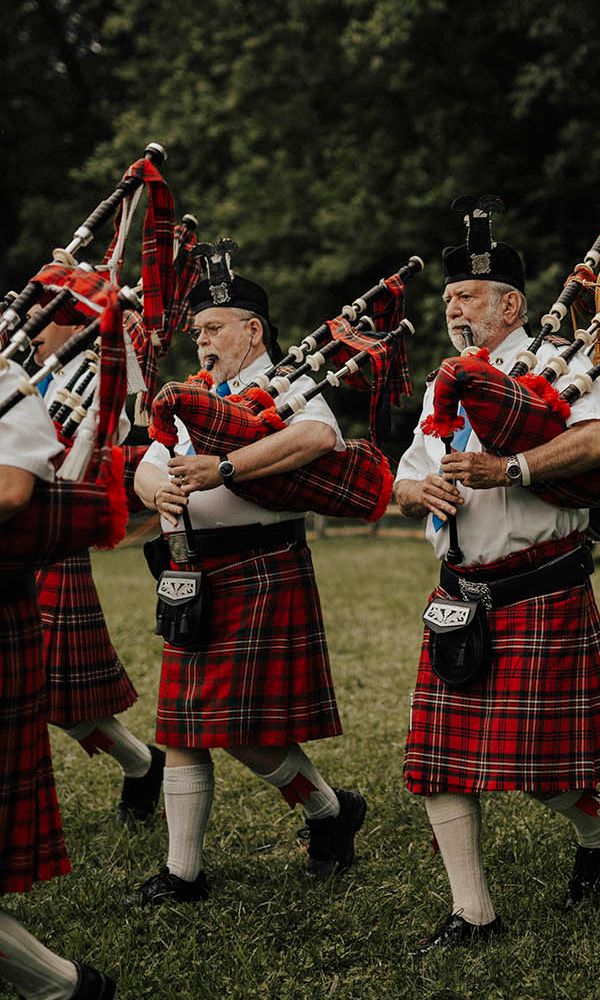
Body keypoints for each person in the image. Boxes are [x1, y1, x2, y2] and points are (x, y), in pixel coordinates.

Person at [394, 198, 600, 951]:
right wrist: (418, 491)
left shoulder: (553, 370)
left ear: (510, 304)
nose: (453, 309)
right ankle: (474, 915)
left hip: (539, 588)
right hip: (459, 595)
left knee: (544, 776)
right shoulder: (446, 386)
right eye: (446, 299)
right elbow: (406, 478)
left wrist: (513, 467)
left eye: (467, 297)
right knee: (438, 765)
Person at [129, 260, 365, 905]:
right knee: (183, 725)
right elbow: (147, 468)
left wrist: (224, 468)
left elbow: (317, 437)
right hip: (192, 571)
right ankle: (184, 874)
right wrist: (164, 490)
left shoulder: (289, 385)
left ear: (253, 330)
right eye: (196, 329)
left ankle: (326, 809)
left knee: (242, 734)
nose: (200, 340)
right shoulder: (191, 397)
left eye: (212, 328)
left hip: (263, 566)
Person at [1, 358, 116, 999]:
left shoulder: (10, 377)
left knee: (78, 706)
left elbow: (17, 490)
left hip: (20, 578)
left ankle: (64, 989)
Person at [28, 308, 164, 826]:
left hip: (47, 537)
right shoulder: (24, 369)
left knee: (56, 697)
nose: (33, 327)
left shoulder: (94, 378)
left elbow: (96, 446)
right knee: (39, 693)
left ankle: (142, 764)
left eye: (45, 316)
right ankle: (141, 763)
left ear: (74, 324)